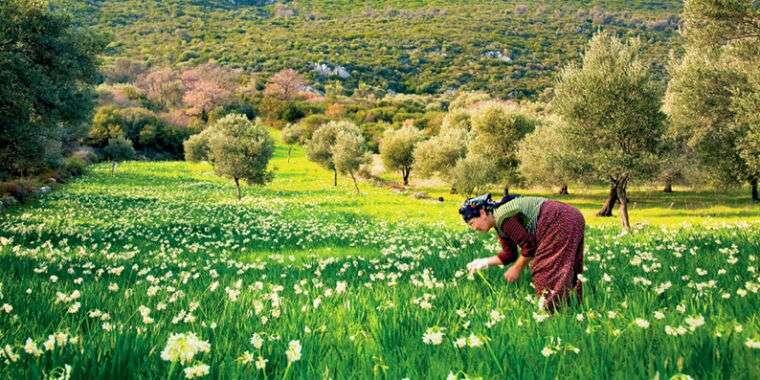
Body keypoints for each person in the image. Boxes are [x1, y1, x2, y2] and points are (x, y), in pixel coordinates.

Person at [459, 193, 585, 311]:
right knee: (569, 264)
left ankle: (550, 314)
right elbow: (510, 254)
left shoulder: (503, 216)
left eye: (472, 223)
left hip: (558, 218)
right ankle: (572, 306)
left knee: (546, 268)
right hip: (571, 215)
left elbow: (529, 247)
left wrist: (516, 268)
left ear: (482, 213)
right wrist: (483, 262)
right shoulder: (500, 221)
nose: (474, 228)